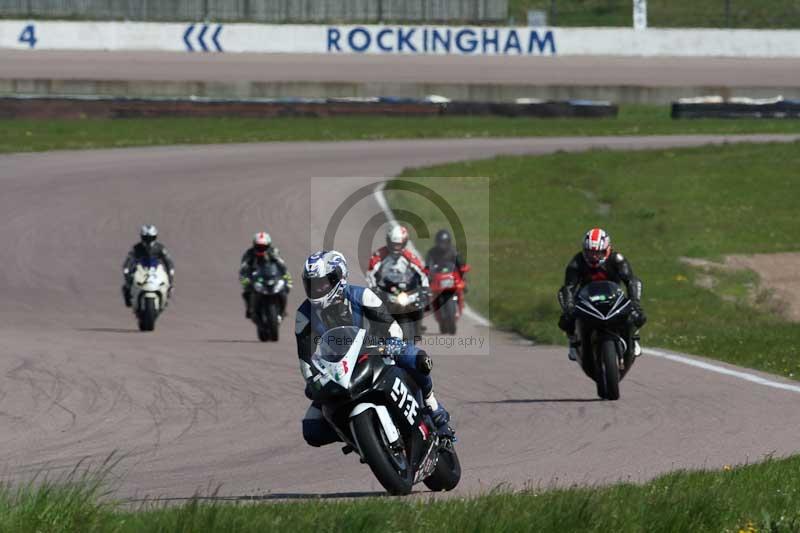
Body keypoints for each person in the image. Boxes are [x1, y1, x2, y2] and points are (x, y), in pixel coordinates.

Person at [296, 250, 450, 447]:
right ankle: (356, 438)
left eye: (322, 283)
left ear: (339, 278)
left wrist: (393, 342)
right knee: (311, 430)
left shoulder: (362, 295)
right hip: (337, 370)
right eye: (312, 285)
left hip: (377, 350)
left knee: (418, 359)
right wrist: (311, 380)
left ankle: (433, 407)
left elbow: (391, 326)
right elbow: (305, 359)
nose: (317, 289)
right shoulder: (304, 315)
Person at [557, 228, 647, 361]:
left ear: (607, 249)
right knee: (566, 320)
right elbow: (568, 288)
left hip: (613, 297)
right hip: (587, 299)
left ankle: (634, 337)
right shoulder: (576, 262)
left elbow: (631, 281)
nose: (594, 256)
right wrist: (569, 308)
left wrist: (635, 304)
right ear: (584, 251)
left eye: (599, 252)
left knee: (638, 315)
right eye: (590, 252)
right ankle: (573, 340)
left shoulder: (617, 259)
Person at [239, 231, 291, 319]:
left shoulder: (274, 251)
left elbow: (282, 265)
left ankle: (283, 310)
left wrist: (286, 277)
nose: (261, 249)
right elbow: (243, 267)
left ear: (268, 245)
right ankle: (249, 309)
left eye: (263, 247)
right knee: (247, 291)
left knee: (284, 289)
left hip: (271, 276)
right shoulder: (249, 253)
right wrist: (245, 276)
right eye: (259, 247)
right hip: (255, 277)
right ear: (254, 245)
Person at [366, 224, 429, 293]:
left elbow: (422, 273)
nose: (396, 247)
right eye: (393, 244)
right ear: (389, 241)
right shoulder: (379, 255)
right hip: (383, 290)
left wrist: (425, 289)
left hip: (404, 290)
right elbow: (370, 274)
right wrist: (374, 288)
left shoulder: (410, 257)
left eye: (398, 245)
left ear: (404, 243)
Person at [122, 224, 175, 307]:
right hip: (140, 269)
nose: (148, 240)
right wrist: (126, 268)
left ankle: (167, 295)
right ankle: (129, 298)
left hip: (155, 269)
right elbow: (130, 258)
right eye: (146, 238)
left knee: (168, 280)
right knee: (126, 285)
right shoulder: (137, 248)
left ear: (155, 237)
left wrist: (170, 270)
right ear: (142, 237)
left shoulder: (160, 248)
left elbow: (167, 260)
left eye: (151, 238)